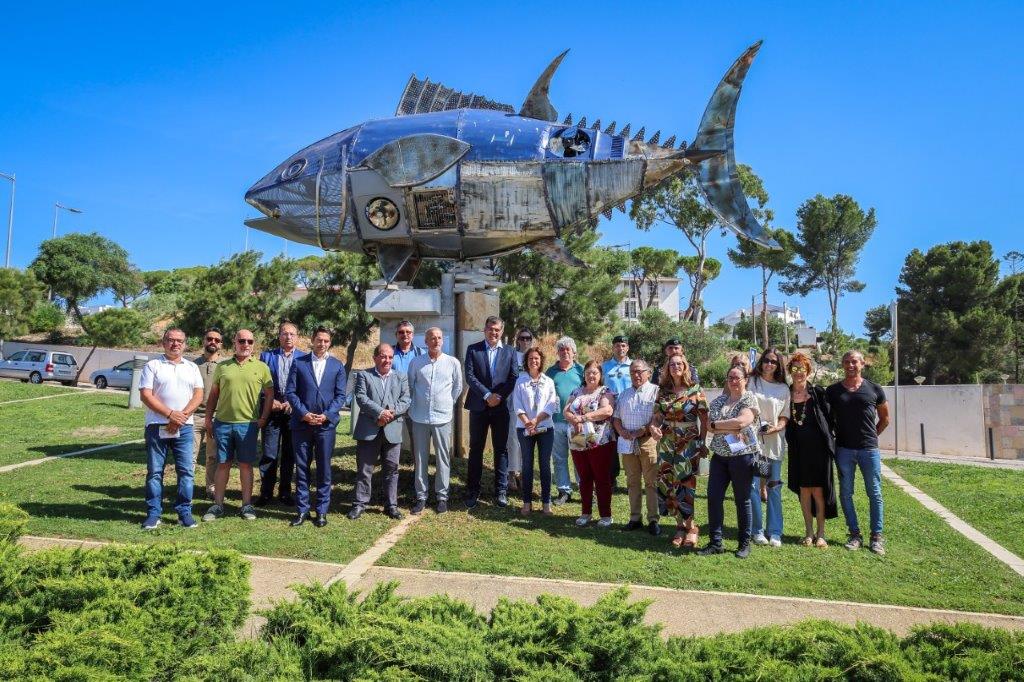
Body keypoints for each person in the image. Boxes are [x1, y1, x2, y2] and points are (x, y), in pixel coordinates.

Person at [203, 329, 275, 522]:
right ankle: (218, 505)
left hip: (248, 425)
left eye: (250, 341)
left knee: (245, 465)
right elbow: (213, 395)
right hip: (223, 424)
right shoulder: (223, 366)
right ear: (234, 342)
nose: (246, 344)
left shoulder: (261, 367)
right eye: (241, 340)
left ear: (254, 344)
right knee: (223, 464)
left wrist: (263, 418)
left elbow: (269, 394)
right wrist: (208, 419)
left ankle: (246, 505)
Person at [138, 328, 204, 530]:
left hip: (184, 427)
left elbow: (198, 395)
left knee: (186, 472)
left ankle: (184, 513)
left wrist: (181, 416)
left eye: (179, 341)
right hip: (158, 426)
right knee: (155, 472)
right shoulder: (153, 365)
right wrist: (169, 414)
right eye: (171, 340)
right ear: (163, 342)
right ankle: (153, 514)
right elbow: (146, 395)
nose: (175, 344)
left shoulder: (192, 367)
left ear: (185, 344)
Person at [826, 350, 890, 555]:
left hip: (869, 450)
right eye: (846, 362)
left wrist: (871, 437)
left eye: (854, 362)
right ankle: (854, 534)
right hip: (843, 449)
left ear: (862, 364)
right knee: (846, 493)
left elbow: (885, 418)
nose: (850, 365)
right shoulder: (833, 391)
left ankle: (876, 537)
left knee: (875, 493)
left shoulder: (874, 389)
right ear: (842, 365)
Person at [284, 326, 347, 527]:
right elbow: (291, 392)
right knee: (302, 468)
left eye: (326, 341)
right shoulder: (299, 363)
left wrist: (326, 415)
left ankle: (321, 511)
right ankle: (302, 510)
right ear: (312, 340)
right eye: (319, 340)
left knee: (324, 469)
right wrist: (304, 414)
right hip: (302, 425)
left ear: (330, 343)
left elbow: (340, 397)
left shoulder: (337, 365)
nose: (322, 344)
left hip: (325, 426)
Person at [701, 366, 761, 558]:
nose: (733, 381)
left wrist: (718, 425)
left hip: (742, 458)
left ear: (745, 379)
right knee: (713, 498)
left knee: (742, 501)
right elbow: (709, 426)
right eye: (730, 378)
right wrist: (726, 426)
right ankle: (715, 542)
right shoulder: (719, 400)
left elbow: (742, 422)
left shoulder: (749, 399)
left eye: (737, 378)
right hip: (719, 458)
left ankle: (744, 544)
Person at [649, 353, 709, 548]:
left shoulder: (696, 390)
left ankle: (692, 527)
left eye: (679, 363)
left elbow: (704, 419)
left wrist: (702, 442)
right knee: (668, 483)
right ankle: (679, 526)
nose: (676, 366)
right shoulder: (663, 390)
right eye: (672, 364)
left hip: (688, 442)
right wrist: (653, 427)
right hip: (666, 442)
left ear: (686, 366)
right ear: (667, 368)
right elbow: (657, 416)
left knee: (686, 484)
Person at [350, 343, 411, 520]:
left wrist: (390, 413)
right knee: (364, 469)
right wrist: (379, 413)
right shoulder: (364, 375)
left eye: (390, 357)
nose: (387, 360)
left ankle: (391, 505)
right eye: (383, 356)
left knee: (392, 469)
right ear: (375, 357)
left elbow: (406, 400)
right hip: (369, 429)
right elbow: (361, 397)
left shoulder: (401, 377)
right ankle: (360, 504)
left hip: (392, 431)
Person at [463, 316, 518, 509]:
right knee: (475, 450)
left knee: (501, 450)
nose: (493, 332)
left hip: (501, 408)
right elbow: (470, 376)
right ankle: (473, 490)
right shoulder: (473, 349)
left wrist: (499, 397)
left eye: (497, 330)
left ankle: (501, 490)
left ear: (502, 331)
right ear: (484, 329)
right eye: (490, 329)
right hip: (479, 406)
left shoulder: (510, 352)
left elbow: (513, 378)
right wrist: (487, 395)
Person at [407, 327, 463, 515]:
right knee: (421, 458)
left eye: (439, 337)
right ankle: (421, 496)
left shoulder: (452, 363)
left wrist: (447, 403)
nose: (436, 341)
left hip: (442, 418)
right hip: (419, 417)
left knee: (442, 458)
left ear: (442, 341)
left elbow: (457, 387)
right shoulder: (416, 363)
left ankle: (442, 497)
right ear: (426, 341)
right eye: (432, 338)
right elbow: (410, 386)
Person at [785, 352, 838, 547]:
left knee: (818, 490)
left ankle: (821, 534)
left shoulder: (817, 393)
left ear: (808, 371)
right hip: (798, 450)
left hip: (819, 449)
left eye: (802, 369)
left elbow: (831, 419)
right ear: (791, 371)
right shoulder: (786, 394)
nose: (799, 372)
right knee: (804, 491)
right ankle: (808, 532)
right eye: (795, 368)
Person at [256, 322, 307, 507]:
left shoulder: (304, 358)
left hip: (293, 413)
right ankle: (266, 492)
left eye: (292, 334)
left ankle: (285, 492)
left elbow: (305, 385)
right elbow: (259, 383)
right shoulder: (267, 356)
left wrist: (293, 402)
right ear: (279, 336)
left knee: (289, 454)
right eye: (285, 334)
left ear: (297, 337)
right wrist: (270, 401)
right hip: (272, 411)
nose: (288, 337)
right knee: (269, 453)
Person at [564, 361, 617, 527]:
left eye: (595, 373)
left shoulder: (605, 392)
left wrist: (583, 417)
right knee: (584, 477)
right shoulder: (576, 391)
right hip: (578, 439)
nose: (591, 375)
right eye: (588, 373)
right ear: (584, 375)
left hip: (599, 441)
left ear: (600, 375)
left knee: (601, 477)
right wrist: (574, 419)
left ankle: (606, 516)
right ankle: (585, 512)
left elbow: (607, 411)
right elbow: (566, 410)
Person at [613, 360, 661, 535]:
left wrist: (643, 430)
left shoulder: (655, 391)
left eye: (640, 371)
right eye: (633, 372)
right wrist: (621, 431)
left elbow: (658, 416)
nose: (636, 375)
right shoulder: (624, 394)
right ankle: (635, 518)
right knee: (632, 482)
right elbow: (616, 418)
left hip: (647, 441)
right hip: (627, 442)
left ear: (648, 372)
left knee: (651, 482)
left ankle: (653, 520)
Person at [748, 348, 790, 547]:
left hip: (774, 443)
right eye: (766, 360)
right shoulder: (752, 382)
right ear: (761, 361)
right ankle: (756, 530)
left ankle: (775, 532)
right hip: (753, 443)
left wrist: (777, 428)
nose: (769, 364)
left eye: (773, 361)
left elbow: (785, 416)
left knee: (774, 488)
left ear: (778, 364)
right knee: (753, 487)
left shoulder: (783, 388)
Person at [512, 347, 559, 516]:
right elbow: (517, 404)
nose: (534, 361)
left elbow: (551, 404)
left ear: (541, 361)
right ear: (526, 361)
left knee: (545, 465)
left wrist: (536, 421)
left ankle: (546, 503)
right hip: (524, 428)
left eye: (537, 358)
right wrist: (527, 423)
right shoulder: (520, 381)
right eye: (531, 358)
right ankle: (527, 502)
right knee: (527, 465)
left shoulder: (548, 381)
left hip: (545, 428)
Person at [546, 337, 585, 505]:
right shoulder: (550, 372)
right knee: (559, 457)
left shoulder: (581, 371)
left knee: (580, 456)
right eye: (561, 350)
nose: (565, 352)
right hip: (557, 422)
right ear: (558, 353)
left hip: (576, 422)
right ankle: (564, 491)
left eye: (568, 349)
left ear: (574, 353)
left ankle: (584, 489)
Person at [192, 328, 223, 498]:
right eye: (209, 339)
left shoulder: (225, 366)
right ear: (204, 341)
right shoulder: (192, 365)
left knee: (213, 456)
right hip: (194, 416)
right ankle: (186, 486)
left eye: (217, 340)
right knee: (190, 455)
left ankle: (211, 487)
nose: (213, 342)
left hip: (217, 417)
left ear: (221, 344)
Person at [506, 327, 534, 494]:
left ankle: (524, 474)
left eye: (528, 338)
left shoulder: (534, 356)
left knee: (527, 439)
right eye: (522, 338)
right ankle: (511, 473)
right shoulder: (511, 356)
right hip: (512, 402)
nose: (525, 341)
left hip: (530, 404)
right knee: (512, 439)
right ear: (517, 340)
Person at [391, 320, 425, 459]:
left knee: (417, 440)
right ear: (396, 335)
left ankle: (418, 473)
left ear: (413, 335)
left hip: (414, 402)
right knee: (391, 438)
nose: (405, 334)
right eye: (401, 332)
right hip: (393, 402)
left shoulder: (421, 353)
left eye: (408, 332)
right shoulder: (389, 353)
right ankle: (391, 470)